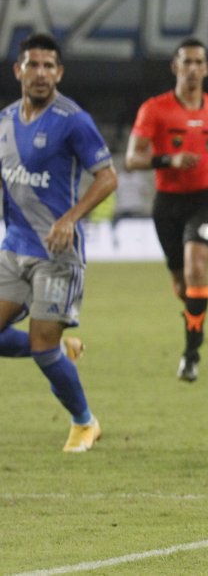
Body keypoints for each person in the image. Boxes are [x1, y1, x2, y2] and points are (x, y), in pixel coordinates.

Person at [0, 33, 116, 452]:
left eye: (49, 66)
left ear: (59, 73)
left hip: (56, 254)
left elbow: (107, 178)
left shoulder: (73, 120)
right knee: (39, 344)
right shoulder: (4, 121)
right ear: (19, 70)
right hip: (13, 248)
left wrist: (70, 218)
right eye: (33, 65)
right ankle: (62, 349)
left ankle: (84, 422)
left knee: (41, 345)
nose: (41, 73)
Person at [125, 38, 208, 383]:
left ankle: (191, 355)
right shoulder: (155, 109)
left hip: (207, 199)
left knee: (196, 268)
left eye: (198, 62)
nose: (193, 68)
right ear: (175, 67)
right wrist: (169, 160)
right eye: (187, 62)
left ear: (206, 69)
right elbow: (132, 159)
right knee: (182, 286)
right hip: (168, 203)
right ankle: (196, 321)